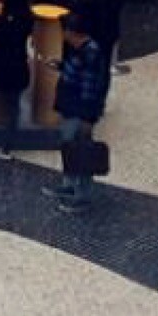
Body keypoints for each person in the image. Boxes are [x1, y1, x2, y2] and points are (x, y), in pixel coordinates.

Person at [48, 15, 108, 209]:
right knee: (69, 148)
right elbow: (77, 73)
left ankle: (82, 196)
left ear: (72, 32)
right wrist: (61, 66)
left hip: (79, 112)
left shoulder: (90, 53)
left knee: (81, 152)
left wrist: (88, 117)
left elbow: (91, 89)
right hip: (70, 109)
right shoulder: (81, 50)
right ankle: (70, 185)